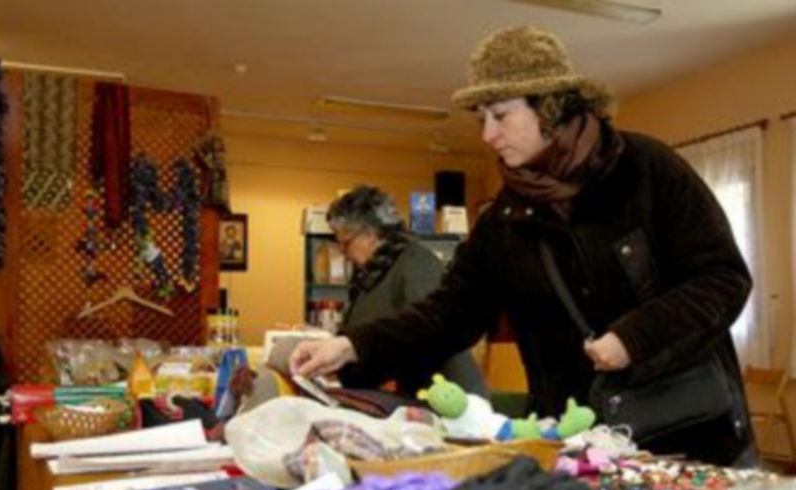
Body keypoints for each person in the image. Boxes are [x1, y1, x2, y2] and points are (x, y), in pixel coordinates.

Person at [290, 26, 755, 466]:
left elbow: (723, 279)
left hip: (691, 440)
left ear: (550, 108)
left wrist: (635, 337)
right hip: (575, 451)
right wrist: (351, 346)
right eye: (482, 119)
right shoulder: (503, 221)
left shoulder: (650, 169)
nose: (487, 135)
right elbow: (446, 315)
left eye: (501, 116)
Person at [325, 185, 487, 397]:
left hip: (442, 403)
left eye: (345, 244)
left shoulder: (416, 264)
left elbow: (429, 336)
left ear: (370, 234)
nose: (344, 253)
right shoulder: (371, 276)